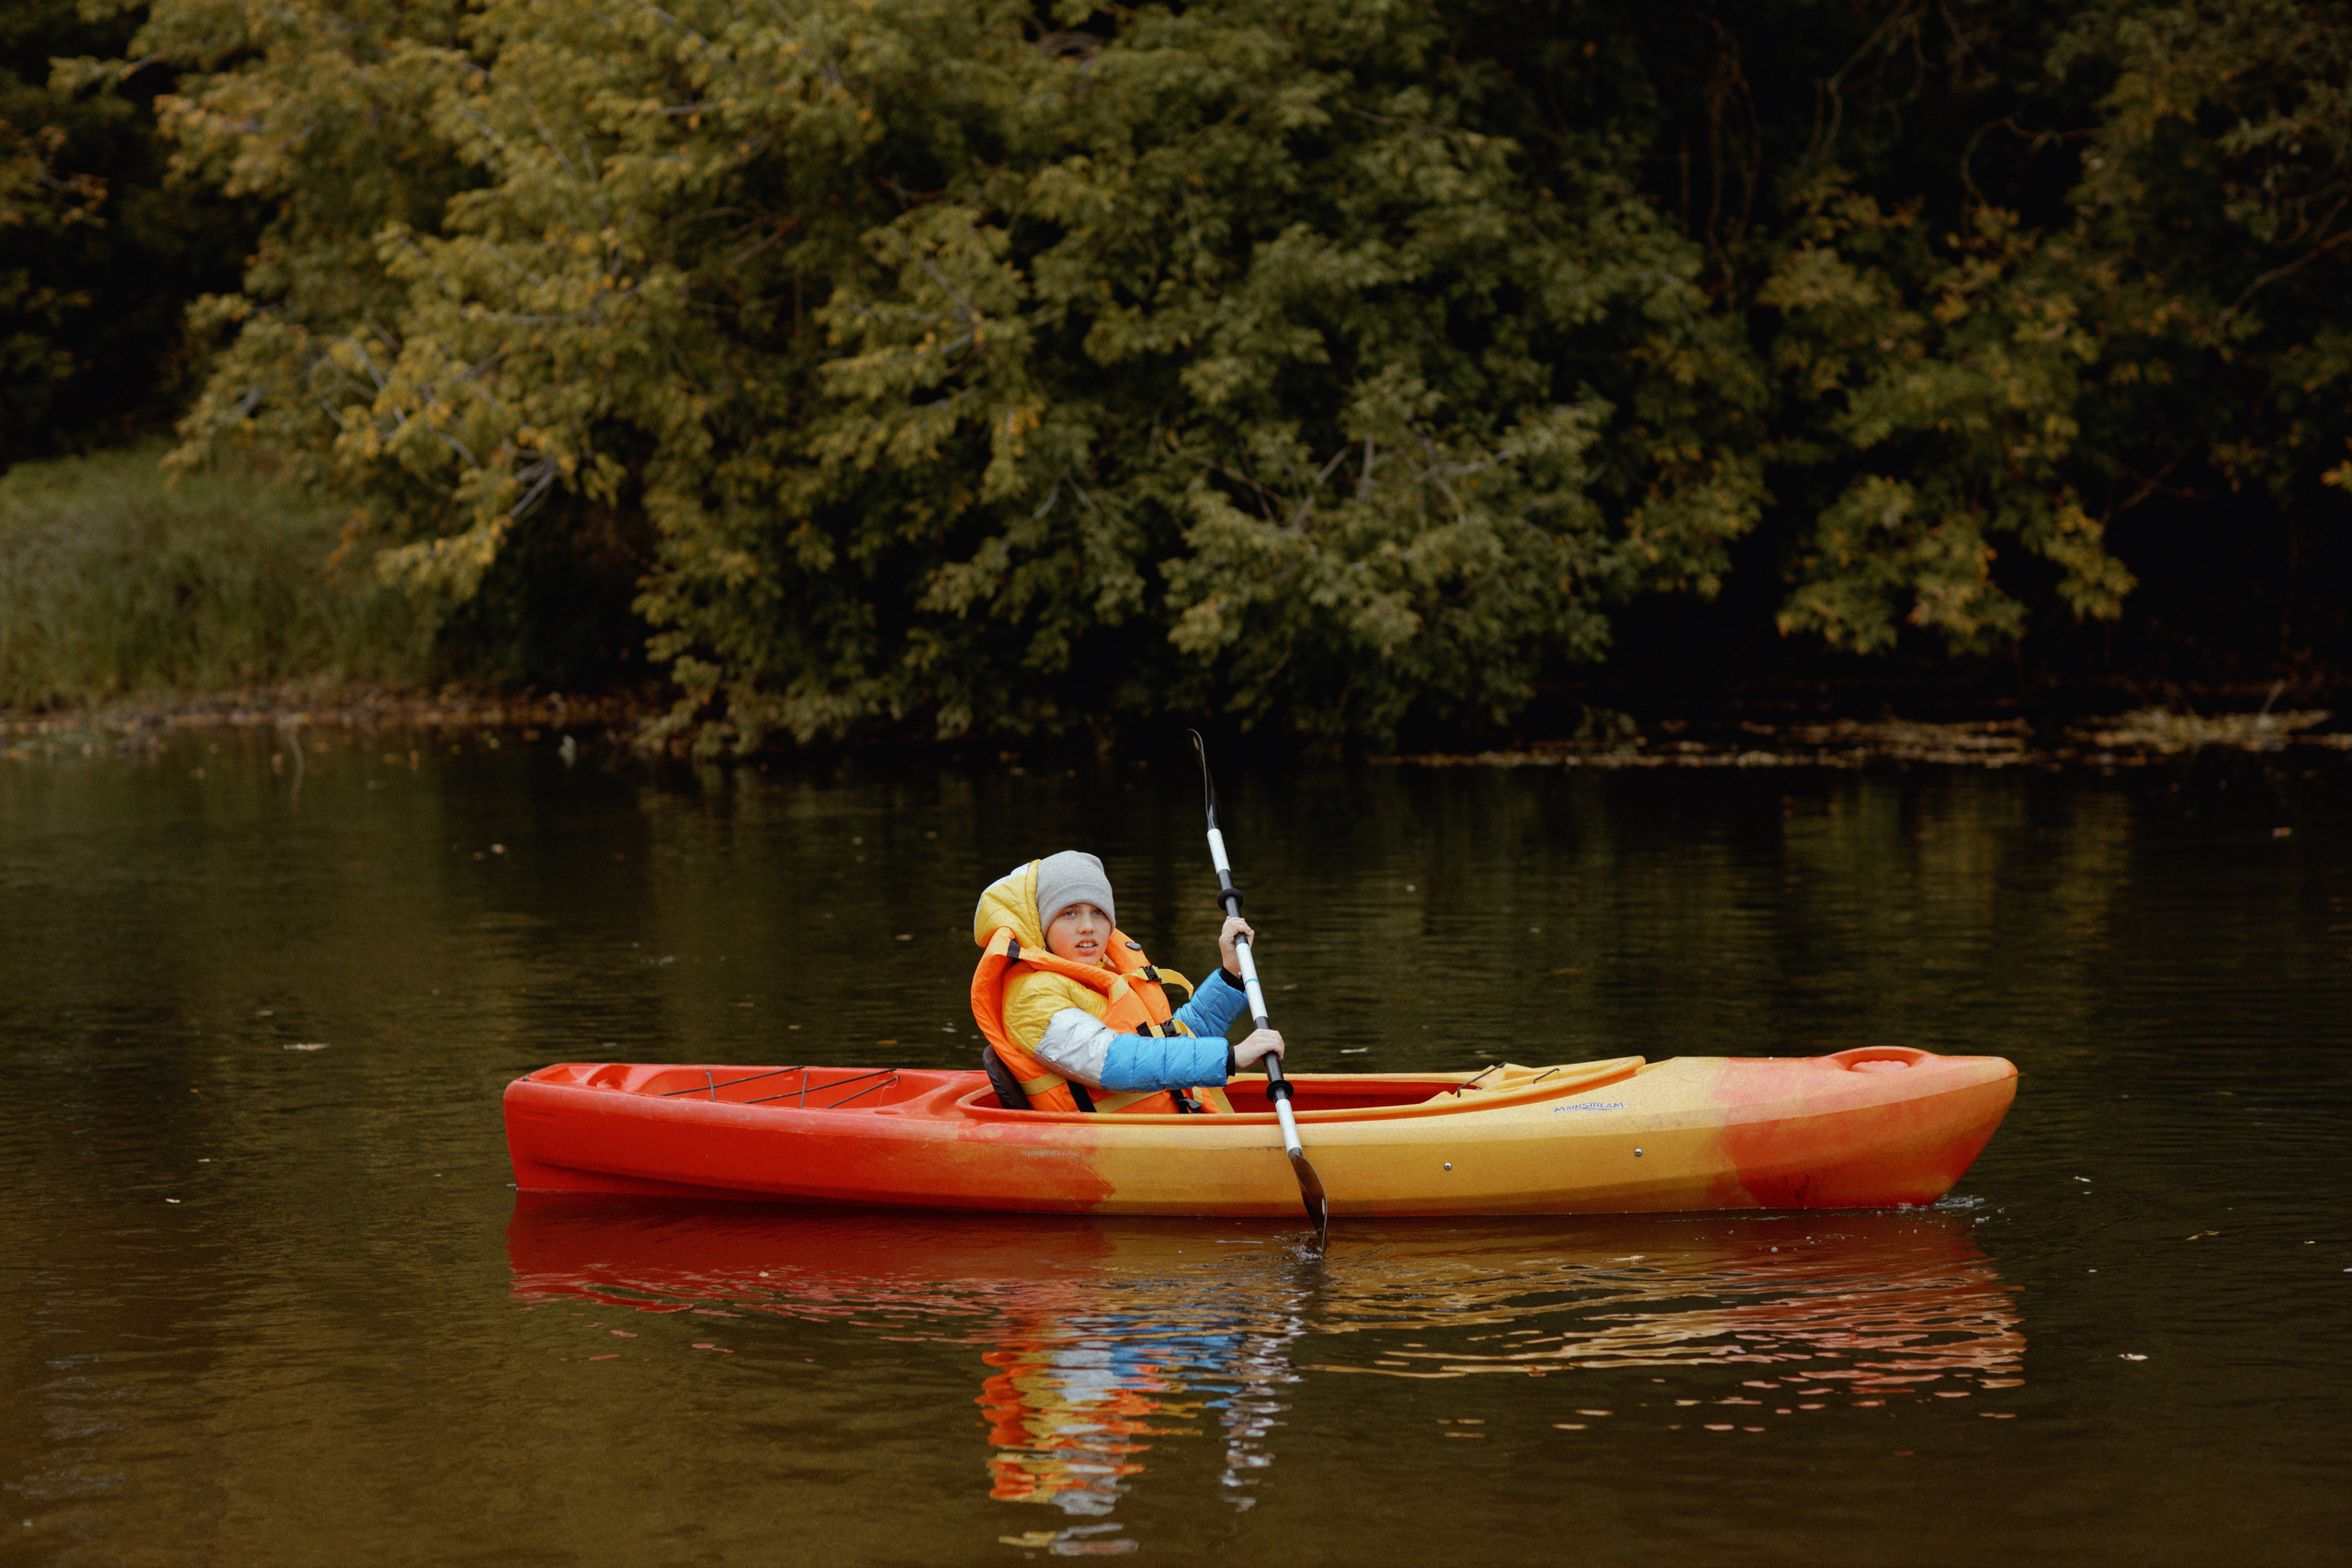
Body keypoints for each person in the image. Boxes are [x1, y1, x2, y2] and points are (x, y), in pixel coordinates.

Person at [970, 851, 1286, 1113]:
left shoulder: (1102, 974)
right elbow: (1114, 1060)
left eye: (1098, 912)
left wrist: (1230, 975)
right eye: (1069, 913)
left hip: (1165, 1132)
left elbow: (1169, 1041)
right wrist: (1229, 1057)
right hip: (1106, 1149)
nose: (1087, 927)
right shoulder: (1031, 997)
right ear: (1041, 923)